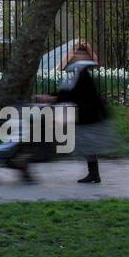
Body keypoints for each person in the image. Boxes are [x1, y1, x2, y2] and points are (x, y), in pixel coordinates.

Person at [38, 41, 117, 184]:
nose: (74, 56)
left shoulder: (84, 74)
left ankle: (97, 172)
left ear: (85, 56)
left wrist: (52, 98)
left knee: (88, 143)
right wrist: (51, 96)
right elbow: (68, 91)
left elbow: (74, 94)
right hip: (88, 114)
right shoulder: (80, 73)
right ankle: (94, 174)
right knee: (88, 144)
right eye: (74, 53)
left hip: (91, 114)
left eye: (78, 54)